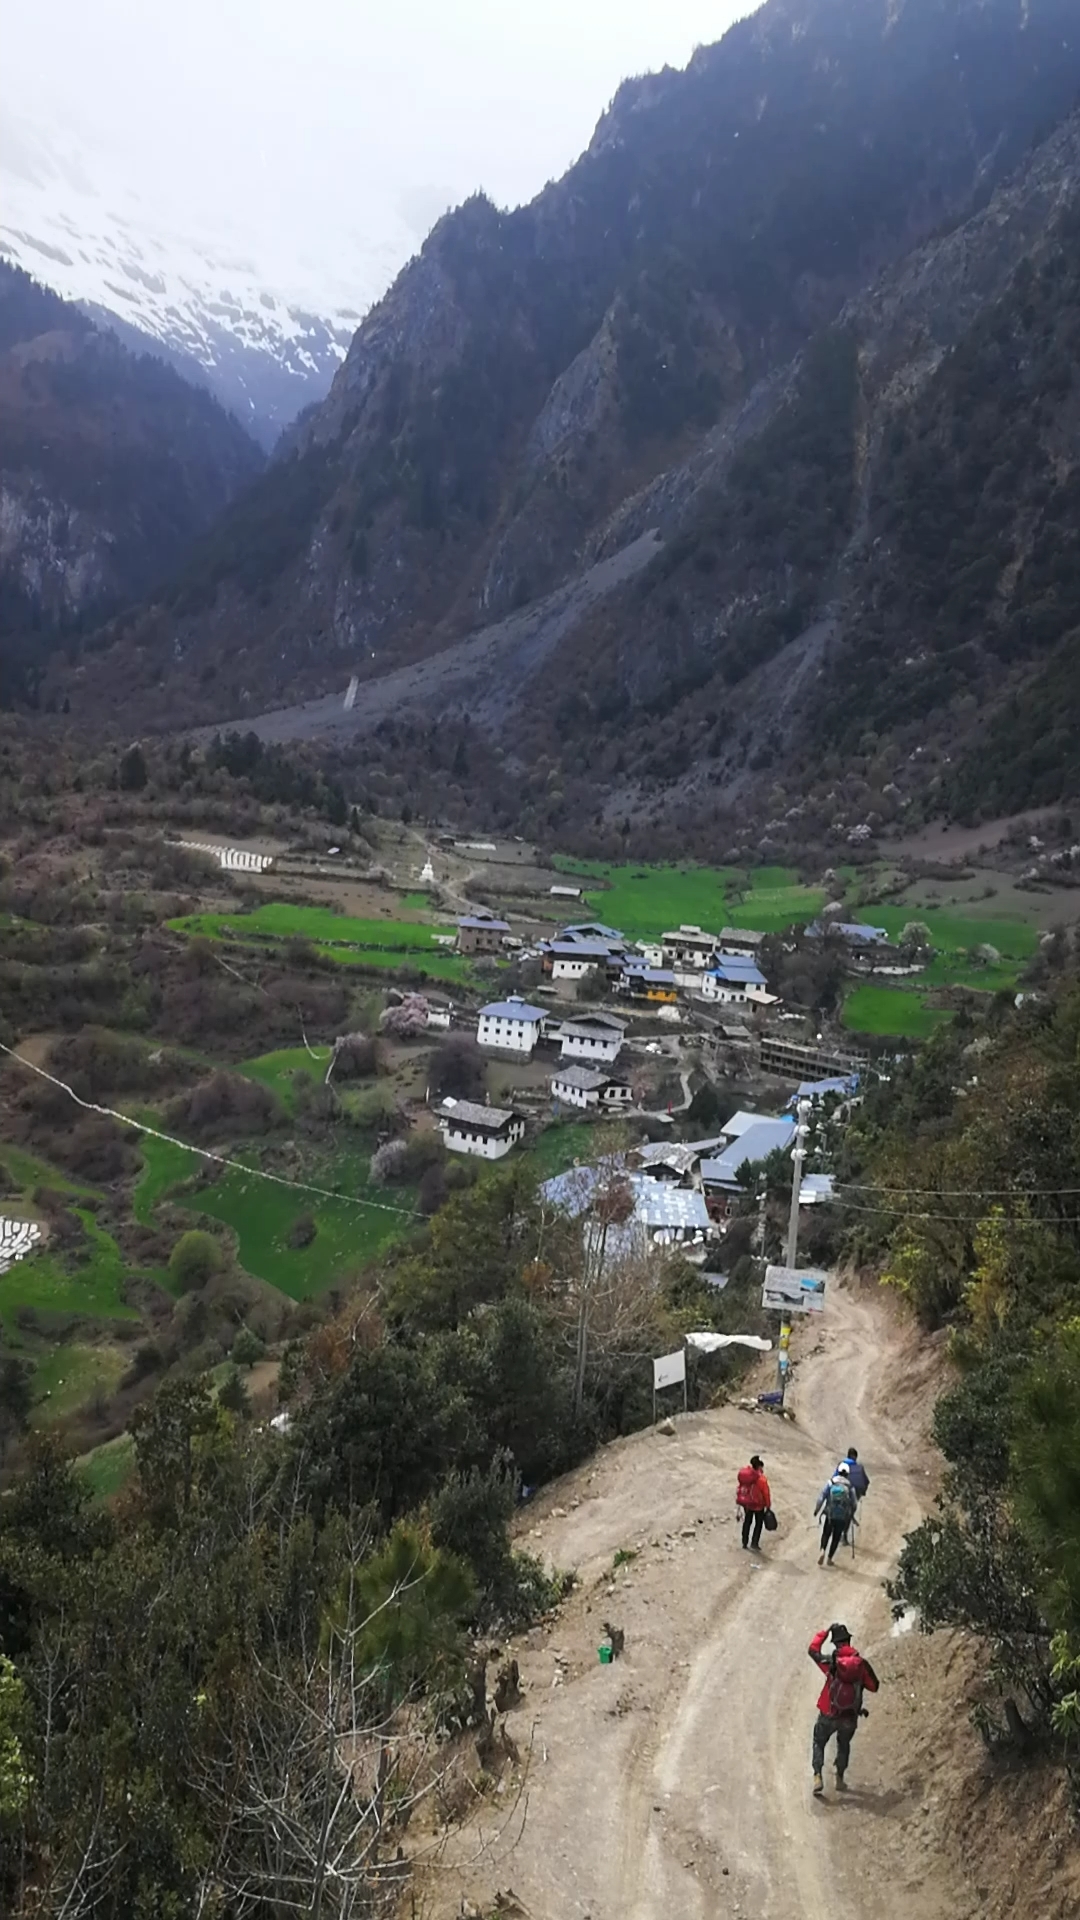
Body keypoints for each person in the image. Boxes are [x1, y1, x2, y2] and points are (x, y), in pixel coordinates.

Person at [808, 1622, 879, 1795]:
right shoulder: (861, 1665)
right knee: (844, 1743)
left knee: (819, 1740)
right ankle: (839, 1778)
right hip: (849, 1716)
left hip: (829, 1712)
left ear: (835, 1643)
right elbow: (874, 1686)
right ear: (848, 1641)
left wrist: (824, 1632)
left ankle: (817, 1775)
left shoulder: (831, 1662)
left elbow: (812, 1651)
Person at [814, 1464, 855, 1565]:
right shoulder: (850, 1486)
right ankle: (829, 1558)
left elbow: (822, 1497)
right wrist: (851, 1514)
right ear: (847, 1474)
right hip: (842, 1516)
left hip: (830, 1513)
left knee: (826, 1533)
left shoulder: (831, 1482)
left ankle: (822, 1550)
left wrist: (817, 1510)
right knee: (836, 1537)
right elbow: (854, 1503)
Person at [735, 1453, 771, 1551]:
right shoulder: (761, 1479)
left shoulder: (747, 1476)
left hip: (748, 1504)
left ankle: (744, 1542)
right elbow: (766, 1493)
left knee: (747, 1522)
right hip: (759, 1505)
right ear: (759, 1466)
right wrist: (768, 1505)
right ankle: (754, 1543)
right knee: (758, 1524)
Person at [836, 1446, 869, 1544]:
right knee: (850, 1510)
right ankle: (844, 1535)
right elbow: (866, 1482)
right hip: (851, 1495)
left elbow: (833, 1477)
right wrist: (862, 1493)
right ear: (854, 1457)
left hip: (838, 1492)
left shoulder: (840, 1465)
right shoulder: (859, 1468)